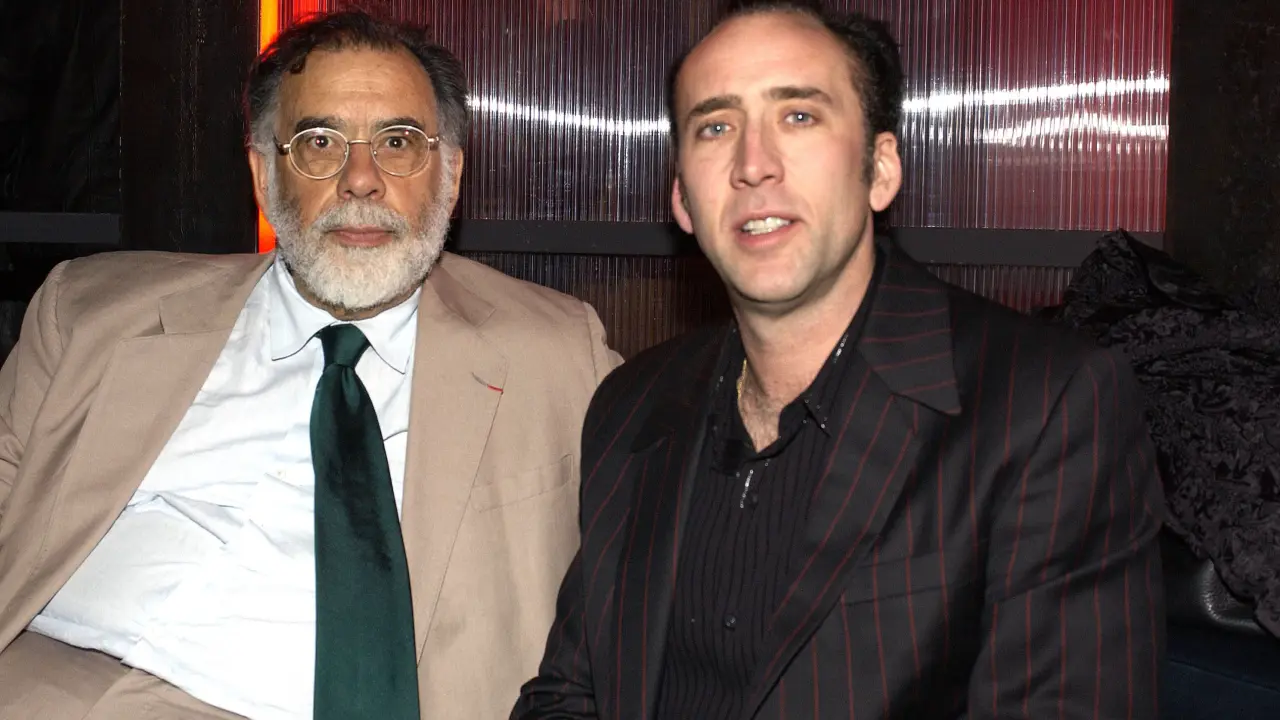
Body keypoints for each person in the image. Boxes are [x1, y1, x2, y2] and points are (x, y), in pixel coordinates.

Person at [513, 1, 1165, 718]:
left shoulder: (1045, 406)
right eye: (716, 127)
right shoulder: (630, 403)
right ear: (683, 200)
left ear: (879, 170)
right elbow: (571, 692)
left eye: (798, 116)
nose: (753, 165)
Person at [0, 10, 618, 720]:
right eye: (320, 142)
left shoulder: (557, 352)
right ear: (265, 175)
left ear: (450, 176)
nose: (361, 180)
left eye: (397, 142)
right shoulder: (92, 314)